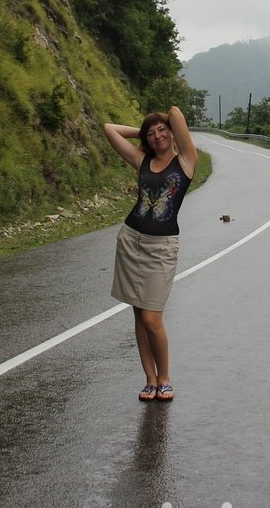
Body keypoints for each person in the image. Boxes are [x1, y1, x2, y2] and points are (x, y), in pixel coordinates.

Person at [102, 105, 198, 402]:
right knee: (139, 316)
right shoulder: (141, 159)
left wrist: (166, 121)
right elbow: (109, 128)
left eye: (162, 131)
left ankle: (165, 377)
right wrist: (141, 131)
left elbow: (176, 111)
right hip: (131, 241)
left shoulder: (186, 162)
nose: (157, 136)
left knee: (152, 318)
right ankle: (150, 379)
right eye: (151, 133)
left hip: (162, 248)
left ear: (172, 134)